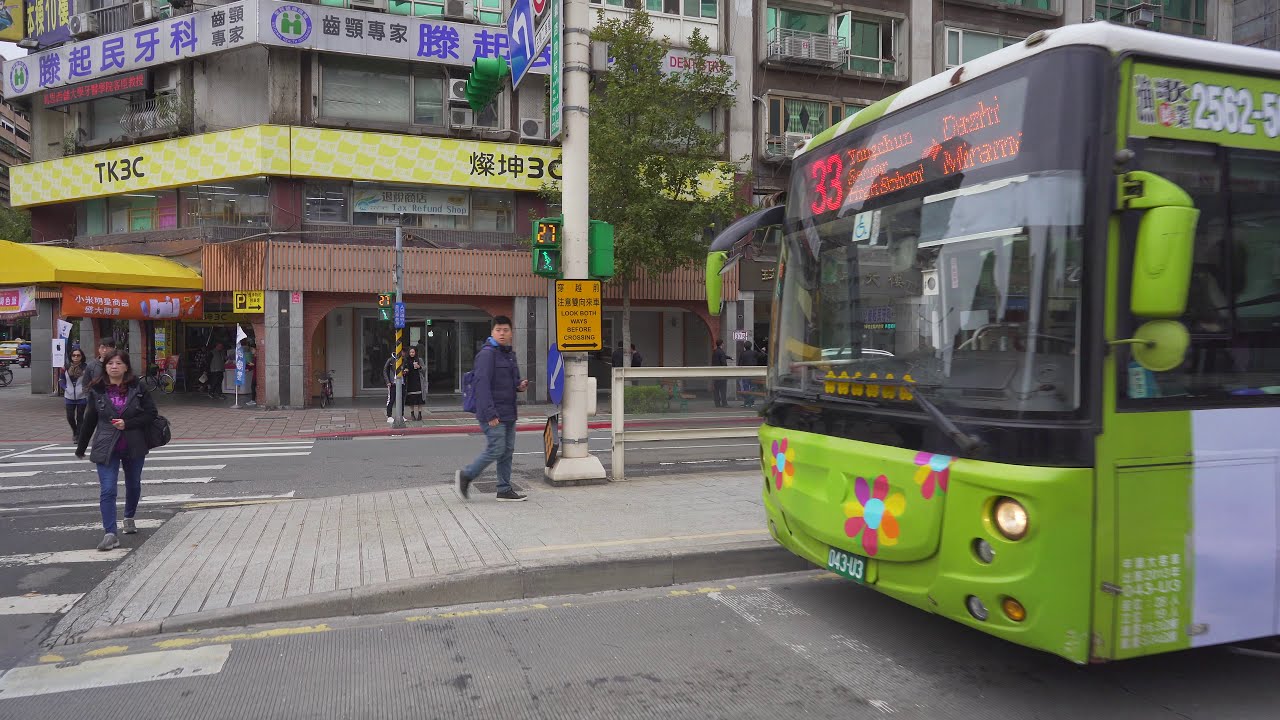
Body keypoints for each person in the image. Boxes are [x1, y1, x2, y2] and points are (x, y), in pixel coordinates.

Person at [75, 350, 157, 551]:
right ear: (105, 367)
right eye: (110, 363)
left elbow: (151, 414)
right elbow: (90, 420)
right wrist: (81, 447)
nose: (114, 366)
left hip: (133, 444)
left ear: (126, 367)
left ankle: (129, 516)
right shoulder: (98, 389)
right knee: (108, 489)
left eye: (118, 363)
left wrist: (127, 423)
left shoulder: (138, 387)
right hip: (106, 446)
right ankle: (110, 534)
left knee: (133, 485)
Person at [455, 315, 529, 502]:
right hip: (493, 412)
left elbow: (510, 381)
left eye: (505, 330)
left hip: (508, 411)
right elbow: (482, 385)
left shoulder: (509, 354)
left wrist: (519, 385)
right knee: (497, 448)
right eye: (498, 330)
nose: (502, 334)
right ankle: (467, 475)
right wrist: (490, 413)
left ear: (511, 333)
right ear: (492, 333)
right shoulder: (487, 354)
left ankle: (504, 489)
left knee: (507, 450)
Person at [62, 348, 90, 440]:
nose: (76, 357)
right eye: (74, 355)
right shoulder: (65, 367)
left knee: (80, 417)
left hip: (81, 396)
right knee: (70, 417)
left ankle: (78, 435)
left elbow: (89, 380)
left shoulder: (86, 367)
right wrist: (65, 388)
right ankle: (75, 430)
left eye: (78, 355)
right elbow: (61, 379)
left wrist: (85, 389)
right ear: (71, 356)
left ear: (82, 357)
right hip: (69, 396)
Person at [405, 347, 427, 421]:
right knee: (411, 399)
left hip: (418, 381)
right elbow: (403, 369)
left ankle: (420, 414)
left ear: (415, 352)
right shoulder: (406, 360)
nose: (412, 354)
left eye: (413, 352)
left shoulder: (419, 359)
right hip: (410, 381)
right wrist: (405, 370)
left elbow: (424, 369)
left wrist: (419, 367)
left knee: (419, 399)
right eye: (410, 352)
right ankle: (412, 414)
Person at [737, 341, 759, 408]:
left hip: (745, 373)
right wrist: (763, 350)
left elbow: (739, 364)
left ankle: (746, 402)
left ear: (744, 347)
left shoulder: (742, 353)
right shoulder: (754, 353)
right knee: (753, 388)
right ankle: (751, 403)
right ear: (751, 346)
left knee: (745, 388)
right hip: (753, 373)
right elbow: (762, 355)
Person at [238, 338, 257, 407]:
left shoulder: (257, 357)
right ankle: (253, 400)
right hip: (255, 374)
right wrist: (248, 369)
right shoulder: (255, 357)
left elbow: (256, 365)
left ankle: (253, 400)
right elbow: (253, 366)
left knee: (253, 387)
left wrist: (252, 365)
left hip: (256, 375)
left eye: (252, 349)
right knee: (253, 387)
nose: (251, 351)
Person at [711, 339, 729, 408]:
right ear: (722, 344)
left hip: (715, 373)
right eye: (723, 343)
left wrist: (729, 357)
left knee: (716, 389)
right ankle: (724, 403)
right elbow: (723, 362)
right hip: (722, 374)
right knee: (723, 389)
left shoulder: (715, 351)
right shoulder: (721, 352)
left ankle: (717, 403)